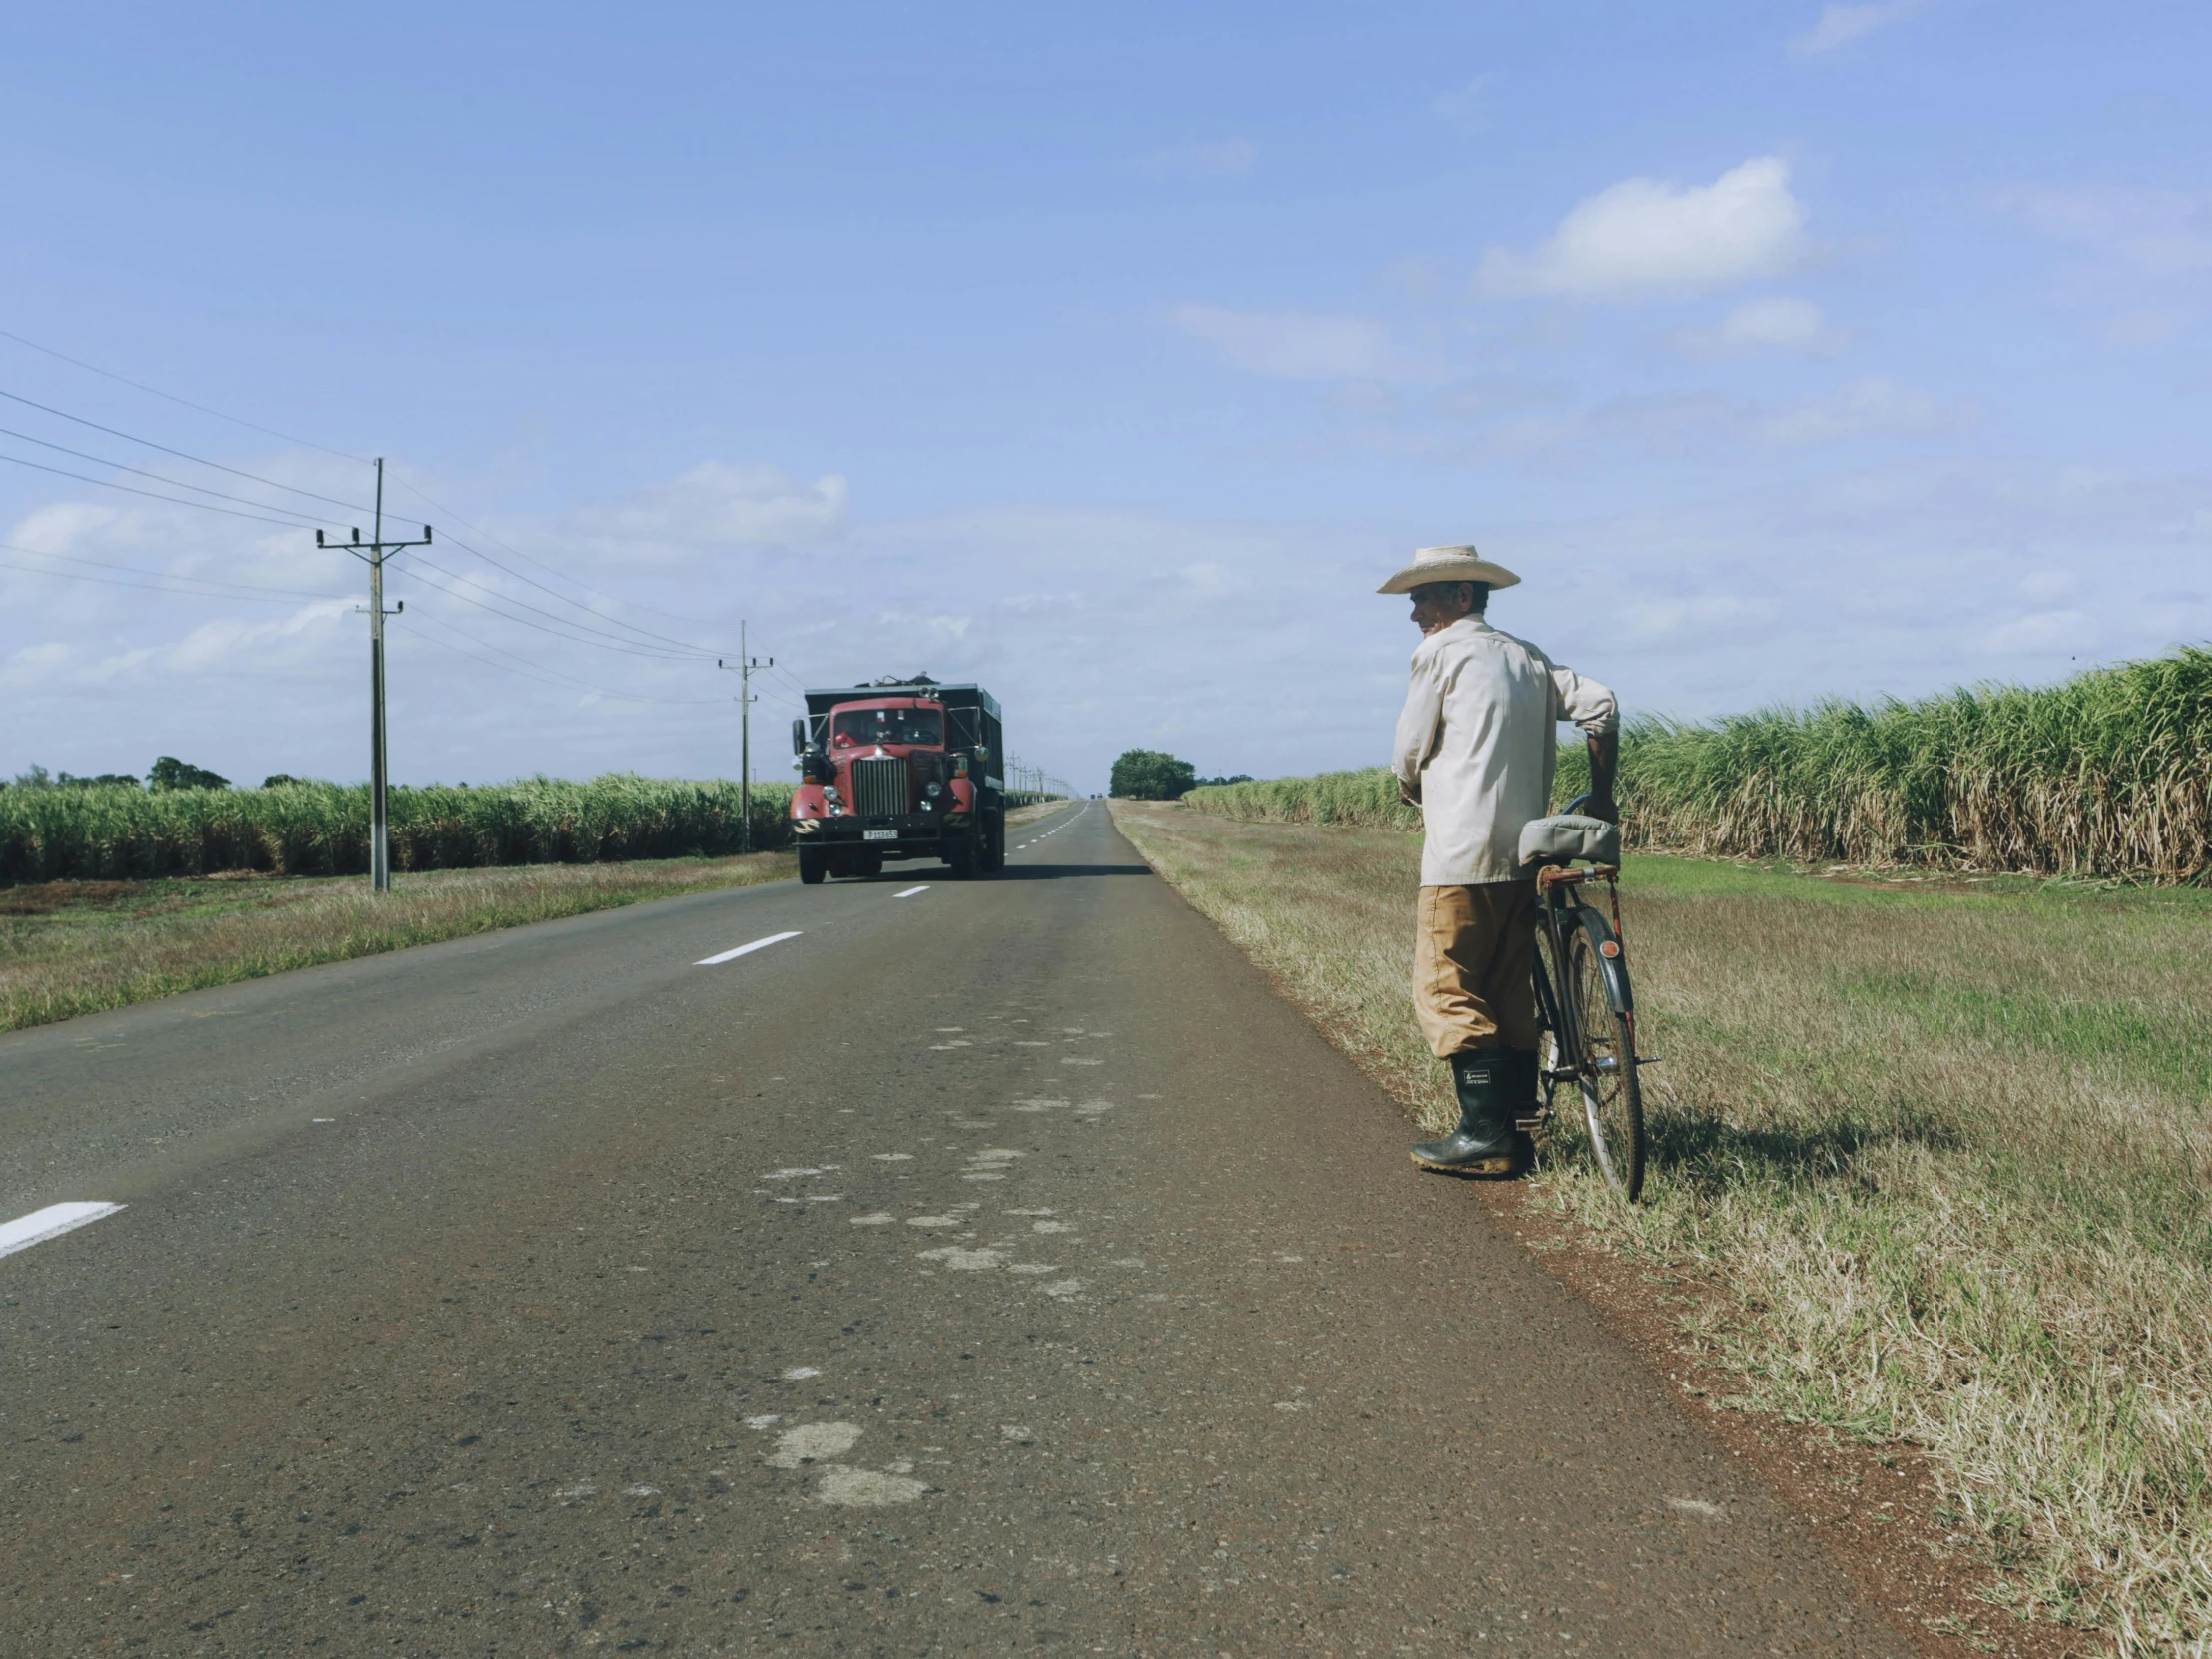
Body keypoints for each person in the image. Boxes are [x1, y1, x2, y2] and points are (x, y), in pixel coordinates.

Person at [1381, 544, 1619, 1175]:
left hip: (1461, 853)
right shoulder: (1528, 657)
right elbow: (1601, 706)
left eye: (1423, 599)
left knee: (1447, 984)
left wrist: (1411, 784)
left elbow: (1410, 748)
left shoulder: (1440, 652)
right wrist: (1602, 796)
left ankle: (1485, 1132)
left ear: (1462, 597)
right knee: (1509, 985)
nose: (1415, 615)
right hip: (1524, 854)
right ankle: (1513, 1124)